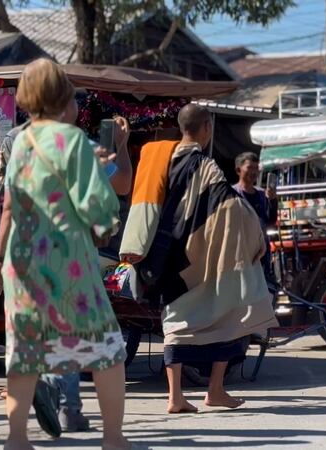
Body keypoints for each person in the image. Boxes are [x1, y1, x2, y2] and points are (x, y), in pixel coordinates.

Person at [0, 58, 129, 450]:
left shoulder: (20, 144)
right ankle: (113, 438)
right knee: (107, 349)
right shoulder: (74, 141)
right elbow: (98, 207)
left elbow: (11, 205)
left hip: (24, 263)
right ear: (65, 98)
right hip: (69, 262)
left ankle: (17, 438)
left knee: (25, 351)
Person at [120, 104, 277, 414]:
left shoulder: (157, 158)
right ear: (206, 128)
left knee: (175, 323)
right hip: (198, 256)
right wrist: (256, 236)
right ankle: (215, 389)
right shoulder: (204, 165)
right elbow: (230, 206)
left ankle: (175, 396)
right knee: (230, 315)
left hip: (165, 254)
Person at [232, 152, 279, 281]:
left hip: (261, 252)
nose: (253, 172)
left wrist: (273, 200)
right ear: (238, 170)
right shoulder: (231, 194)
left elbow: (270, 221)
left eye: (256, 168)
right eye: (249, 168)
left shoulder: (262, 195)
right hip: (240, 252)